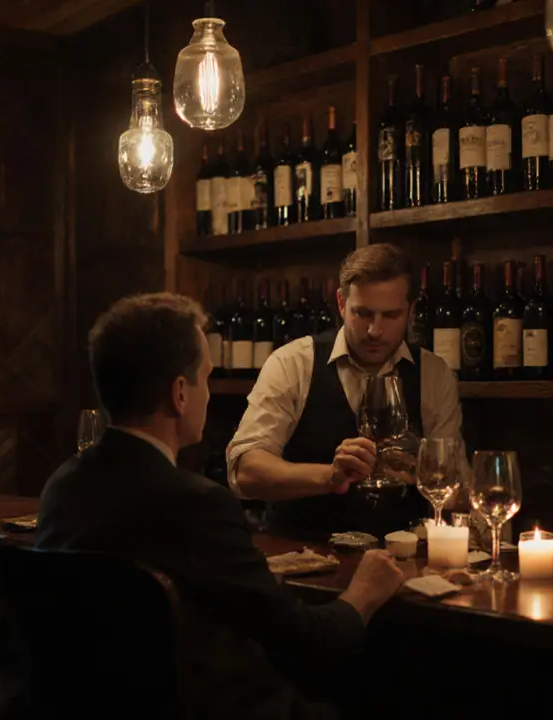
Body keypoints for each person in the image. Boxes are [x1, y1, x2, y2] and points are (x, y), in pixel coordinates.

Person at [36, 293, 403, 718]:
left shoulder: (61, 487)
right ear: (179, 393)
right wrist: (363, 592)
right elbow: (310, 643)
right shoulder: (198, 506)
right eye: (205, 378)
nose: (207, 393)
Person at [227, 244, 466, 539]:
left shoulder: (434, 373)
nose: (375, 330)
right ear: (341, 303)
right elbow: (246, 472)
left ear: (412, 310)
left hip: (405, 561)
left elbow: (457, 488)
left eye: (390, 315)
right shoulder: (293, 363)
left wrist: (417, 469)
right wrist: (331, 476)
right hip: (304, 557)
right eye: (362, 313)